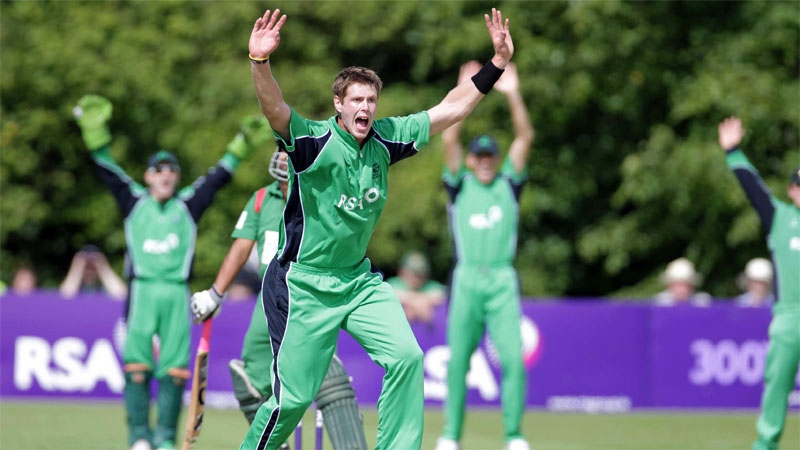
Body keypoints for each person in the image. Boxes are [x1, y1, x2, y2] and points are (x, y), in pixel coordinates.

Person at [239, 7, 514, 449]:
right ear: (339, 105)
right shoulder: (313, 142)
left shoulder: (387, 138)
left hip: (357, 282)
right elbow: (275, 108)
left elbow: (451, 108)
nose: (365, 107)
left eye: (371, 100)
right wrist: (260, 62)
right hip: (302, 283)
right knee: (292, 401)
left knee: (407, 357)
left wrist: (496, 64)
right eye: (356, 100)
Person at [73, 94, 267, 450]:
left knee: (176, 371)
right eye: (158, 170)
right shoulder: (135, 202)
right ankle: (138, 438)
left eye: (171, 170)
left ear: (176, 178)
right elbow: (106, 169)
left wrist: (240, 146)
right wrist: (94, 132)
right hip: (142, 292)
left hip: (177, 293)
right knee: (137, 367)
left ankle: (164, 439)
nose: (165, 175)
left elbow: (217, 178)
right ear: (148, 176)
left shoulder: (187, 206)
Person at [190, 147, 367, 449]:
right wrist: (216, 294)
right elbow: (241, 248)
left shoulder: (319, 192)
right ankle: (276, 442)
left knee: (319, 368)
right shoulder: (261, 199)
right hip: (271, 294)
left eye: (290, 151)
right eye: (280, 150)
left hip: (309, 291)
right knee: (250, 374)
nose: (284, 158)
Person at [435, 60, 534, 450]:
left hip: (501, 280)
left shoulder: (509, 184)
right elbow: (448, 140)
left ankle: (513, 435)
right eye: (481, 157)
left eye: (491, 156)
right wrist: (467, 89)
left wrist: (512, 94)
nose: (486, 161)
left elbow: (524, 137)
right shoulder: (460, 185)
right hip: (467, 280)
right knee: (458, 363)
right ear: (474, 160)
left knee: (512, 361)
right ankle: (450, 436)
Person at [718, 116, 800, 450]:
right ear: (793, 190)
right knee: (777, 382)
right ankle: (766, 443)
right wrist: (733, 152)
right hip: (789, 315)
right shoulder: (780, 216)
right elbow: (753, 187)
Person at [386, 250, 446, 324]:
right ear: (402, 271)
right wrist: (421, 301)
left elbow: (443, 294)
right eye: (413, 272)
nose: (417, 277)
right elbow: (389, 293)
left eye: (420, 272)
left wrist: (410, 301)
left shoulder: (430, 285)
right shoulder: (394, 283)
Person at [59, 244, 128, 300]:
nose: (89, 272)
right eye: (86, 268)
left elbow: (121, 296)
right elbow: (64, 297)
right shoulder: (75, 288)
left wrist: (104, 269)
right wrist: (77, 269)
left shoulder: (106, 288)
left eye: (93, 268)